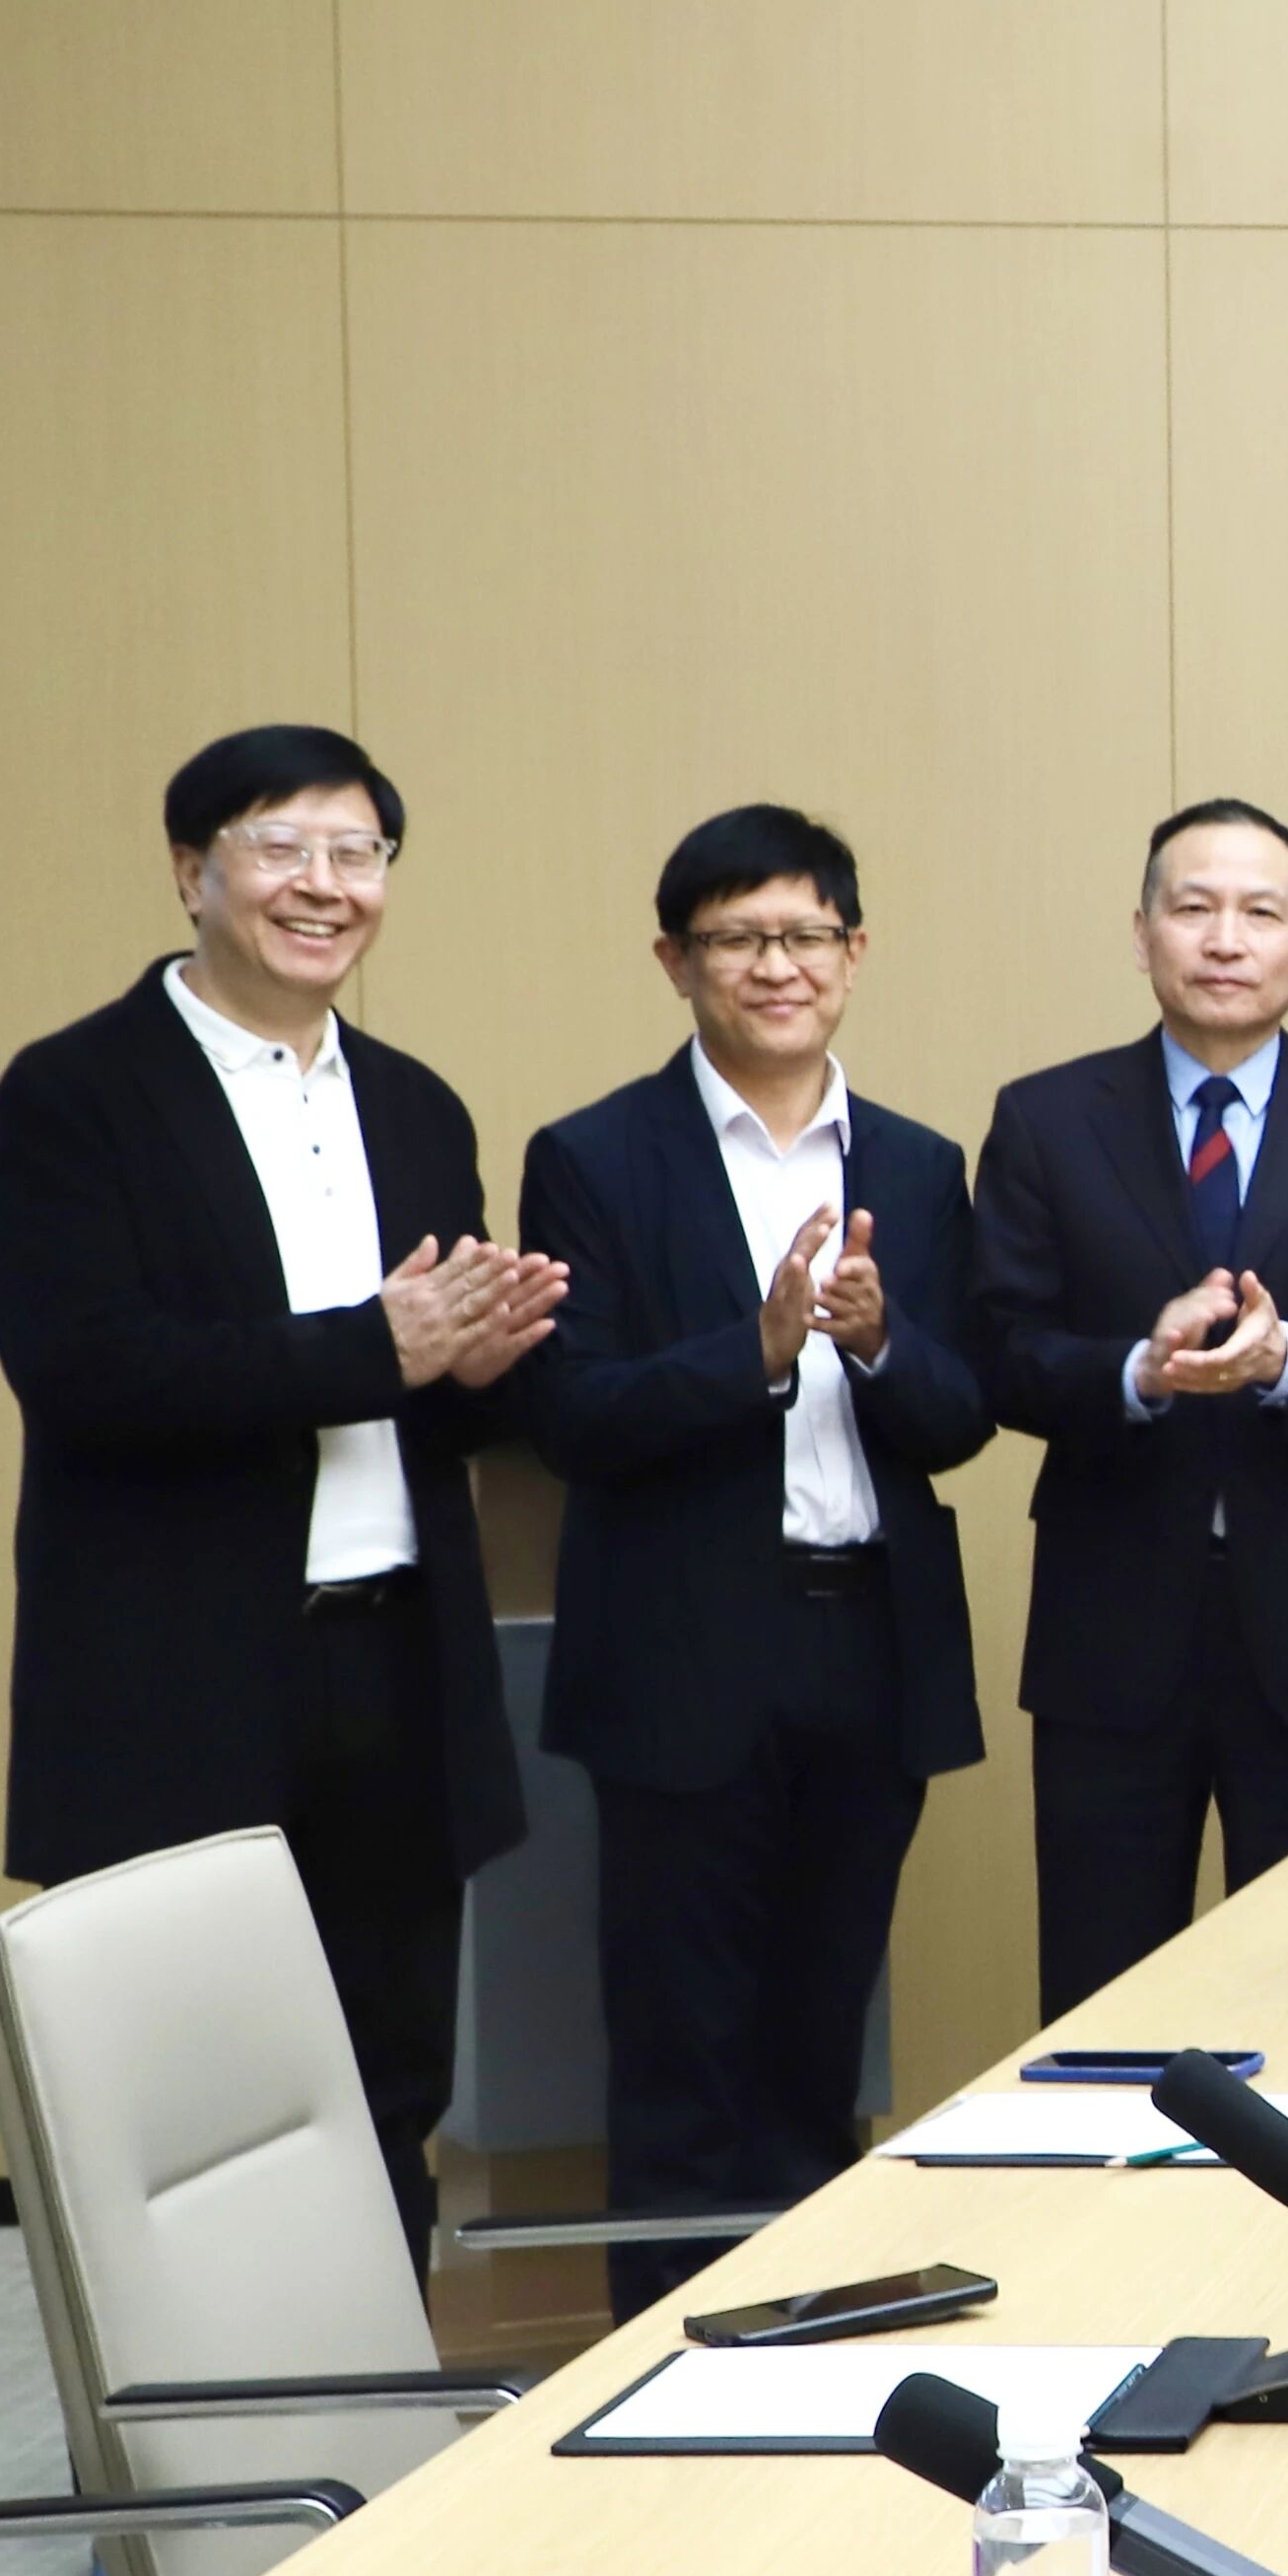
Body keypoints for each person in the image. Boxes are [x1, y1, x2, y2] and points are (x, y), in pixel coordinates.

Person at [0, 727, 565, 2259]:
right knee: (186, 2105)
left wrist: (492, 1356)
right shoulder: (74, 1093)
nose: (323, 884)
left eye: (357, 852)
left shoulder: (416, 1104)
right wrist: (377, 1346)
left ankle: (386, 2391)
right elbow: (86, 1370)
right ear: (192, 871)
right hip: (178, 1676)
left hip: (397, 1664)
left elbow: (434, 1387)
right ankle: (201, 2410)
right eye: (280, 846)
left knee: (390, 2079)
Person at [516, 807, 988, 2308]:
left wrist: (883, 1341)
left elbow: (964, 1414)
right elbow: (572, 1416)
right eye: (736, 938)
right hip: (682, 1659)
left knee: (816, 2047)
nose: (774, 965)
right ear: (676, 961)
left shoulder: (917, 1163)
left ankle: (807, 2356)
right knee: (682, 2060)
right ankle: (667, 2375)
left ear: (854, 953)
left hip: (867, 1646)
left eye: (803, 935)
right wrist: (758, 1351)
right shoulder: (594, 1156)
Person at [969, 800, 1288, 2017]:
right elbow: (999, 1353)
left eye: (1260, 912)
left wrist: (1287, 1361)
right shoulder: (1046, 1117)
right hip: (1110, 1630)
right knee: (1101, 1999)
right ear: (1142, 934)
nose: (1226, 939)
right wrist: (1139, 1370)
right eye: (1194, 909)